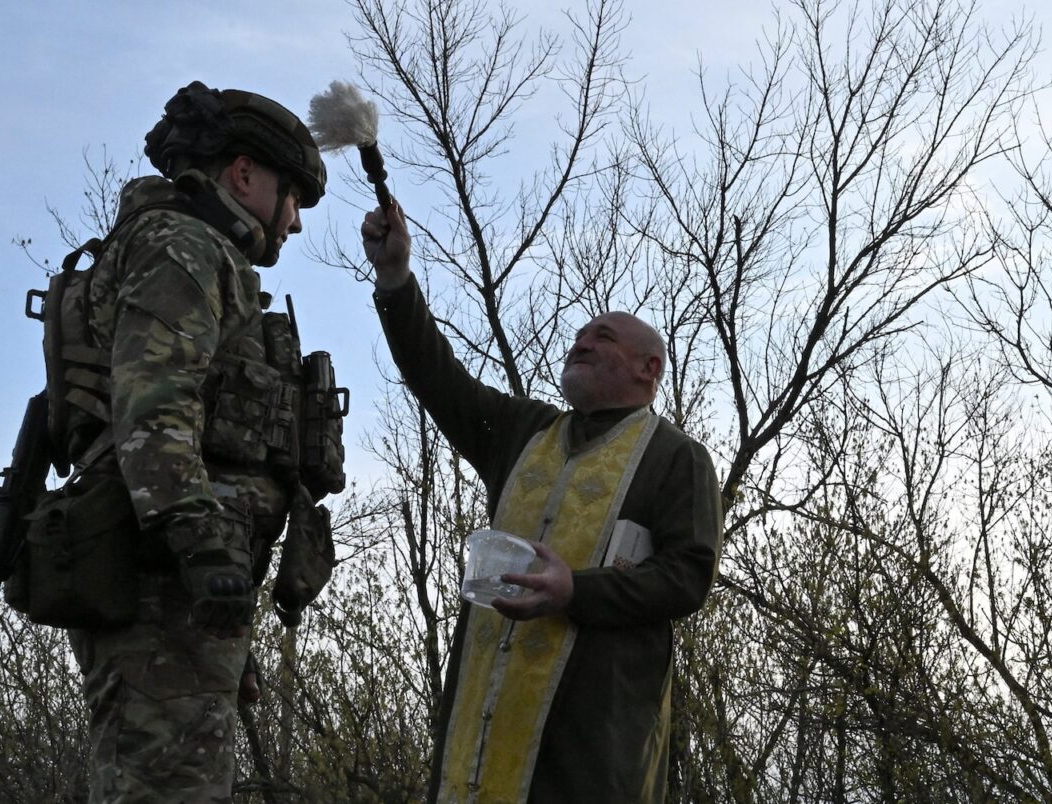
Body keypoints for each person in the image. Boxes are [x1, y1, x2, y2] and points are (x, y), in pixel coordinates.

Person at [361, 201, 725, 803]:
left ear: (648, 368)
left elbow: (687, 578)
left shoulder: (675, 457)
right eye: (578, 337)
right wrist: (396, 276)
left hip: (590, 757)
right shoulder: (523, 431)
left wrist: (575, 592)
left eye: (601, 338)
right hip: (475, 743)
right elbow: (436, 376)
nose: (580, 344)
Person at [58, 81, 333, 803]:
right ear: (243, 174)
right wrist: (203, 552)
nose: (295, 223)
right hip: (166, 576)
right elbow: (154, 405)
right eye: (292, 196)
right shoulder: (182, 247)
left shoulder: (193, 249)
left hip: (181, 578)